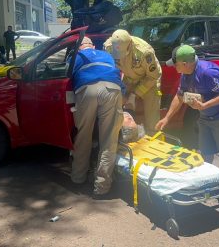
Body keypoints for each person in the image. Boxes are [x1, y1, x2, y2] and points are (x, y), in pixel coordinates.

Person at [155, 45, 219, 197]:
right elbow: (179, 96)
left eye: (175, 64)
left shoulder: (208, 72)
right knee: (206, 150)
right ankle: (206, 182)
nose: (174, 67)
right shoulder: (186, 74)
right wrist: (167, 118)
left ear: (185, 63)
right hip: (205, 115)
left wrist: (203, 105)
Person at [69, 37, 125, 199]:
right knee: (108, 139)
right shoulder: (105, 55)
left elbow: (68, 78)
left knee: (83, 135)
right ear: (93, 46)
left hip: (86, 90)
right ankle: (102, 186)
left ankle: (78, 178)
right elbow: (118, 74)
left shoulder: (76, 57)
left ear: (79, 48)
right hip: (112, 89)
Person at [104, 29, 162, 134]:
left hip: (149, 80)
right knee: (119, 104)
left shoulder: (144, 52)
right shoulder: (108, 47)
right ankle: (124, 134)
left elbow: (153, 76)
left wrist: (135, 94)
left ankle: (153, 134)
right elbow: (110, 70)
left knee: (151, 114)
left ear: (130, 44)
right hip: (129, 78)